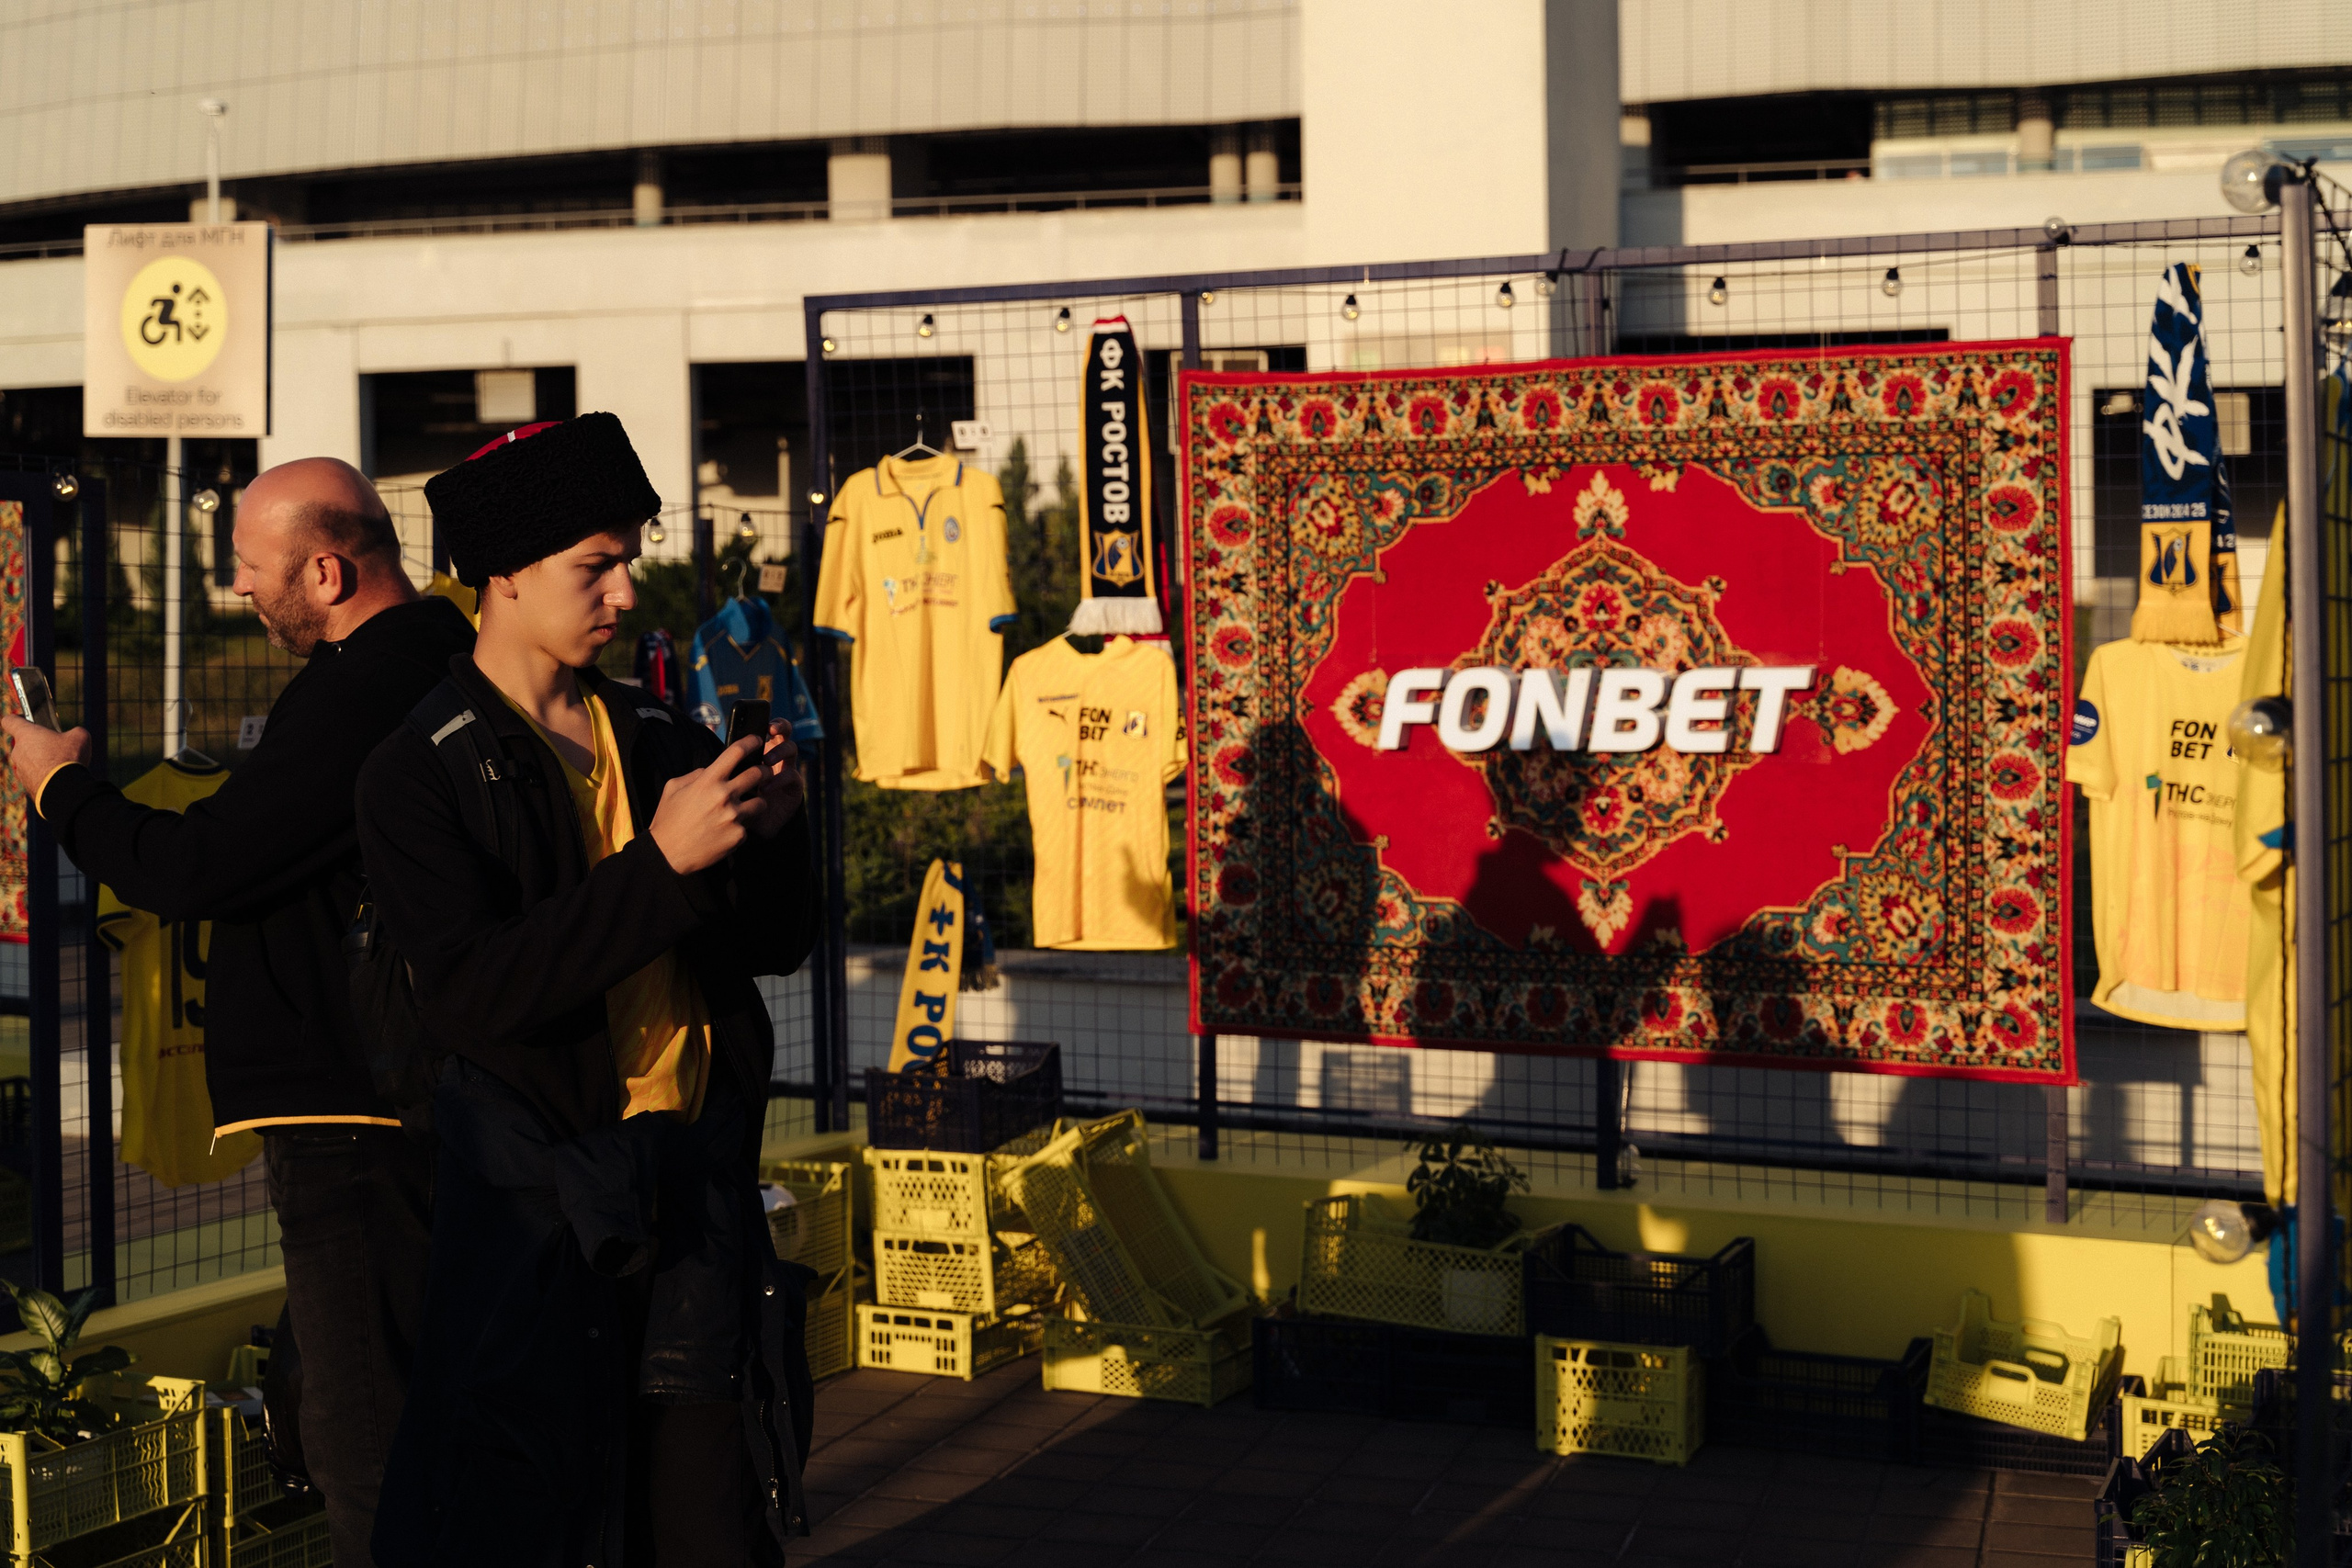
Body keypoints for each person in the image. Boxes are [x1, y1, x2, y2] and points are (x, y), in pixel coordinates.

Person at [355, 412, 819, 1567]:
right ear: (499, 575)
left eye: (628, 559)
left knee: (707, 1514)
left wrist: (770, 838)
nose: (621, 591)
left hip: (692, 1194)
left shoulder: (657, 730)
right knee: (538, 1513)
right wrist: (660, 867)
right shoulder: (421, 769)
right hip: (538, 1213)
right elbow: (469, 996)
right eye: (591, 566)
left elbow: (771, 946)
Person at [0, 457, 474, 1568]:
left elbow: (203, 865)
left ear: (326, 567)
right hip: (419, 1088)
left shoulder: (363, 690)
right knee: (412, 1399)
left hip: (353, 1112)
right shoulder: (447, 661)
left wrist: (61, 787)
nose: (242, 593)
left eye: (253, 572)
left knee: (361, 1432)